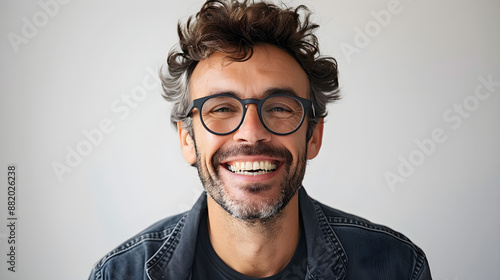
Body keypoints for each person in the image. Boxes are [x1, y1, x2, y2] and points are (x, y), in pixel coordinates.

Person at [88, 0, 432, 279]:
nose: (251, 132)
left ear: (313, 136)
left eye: (280, 108)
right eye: (221, 108)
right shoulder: (119, 274)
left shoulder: (397, 267)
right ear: (187, 140)